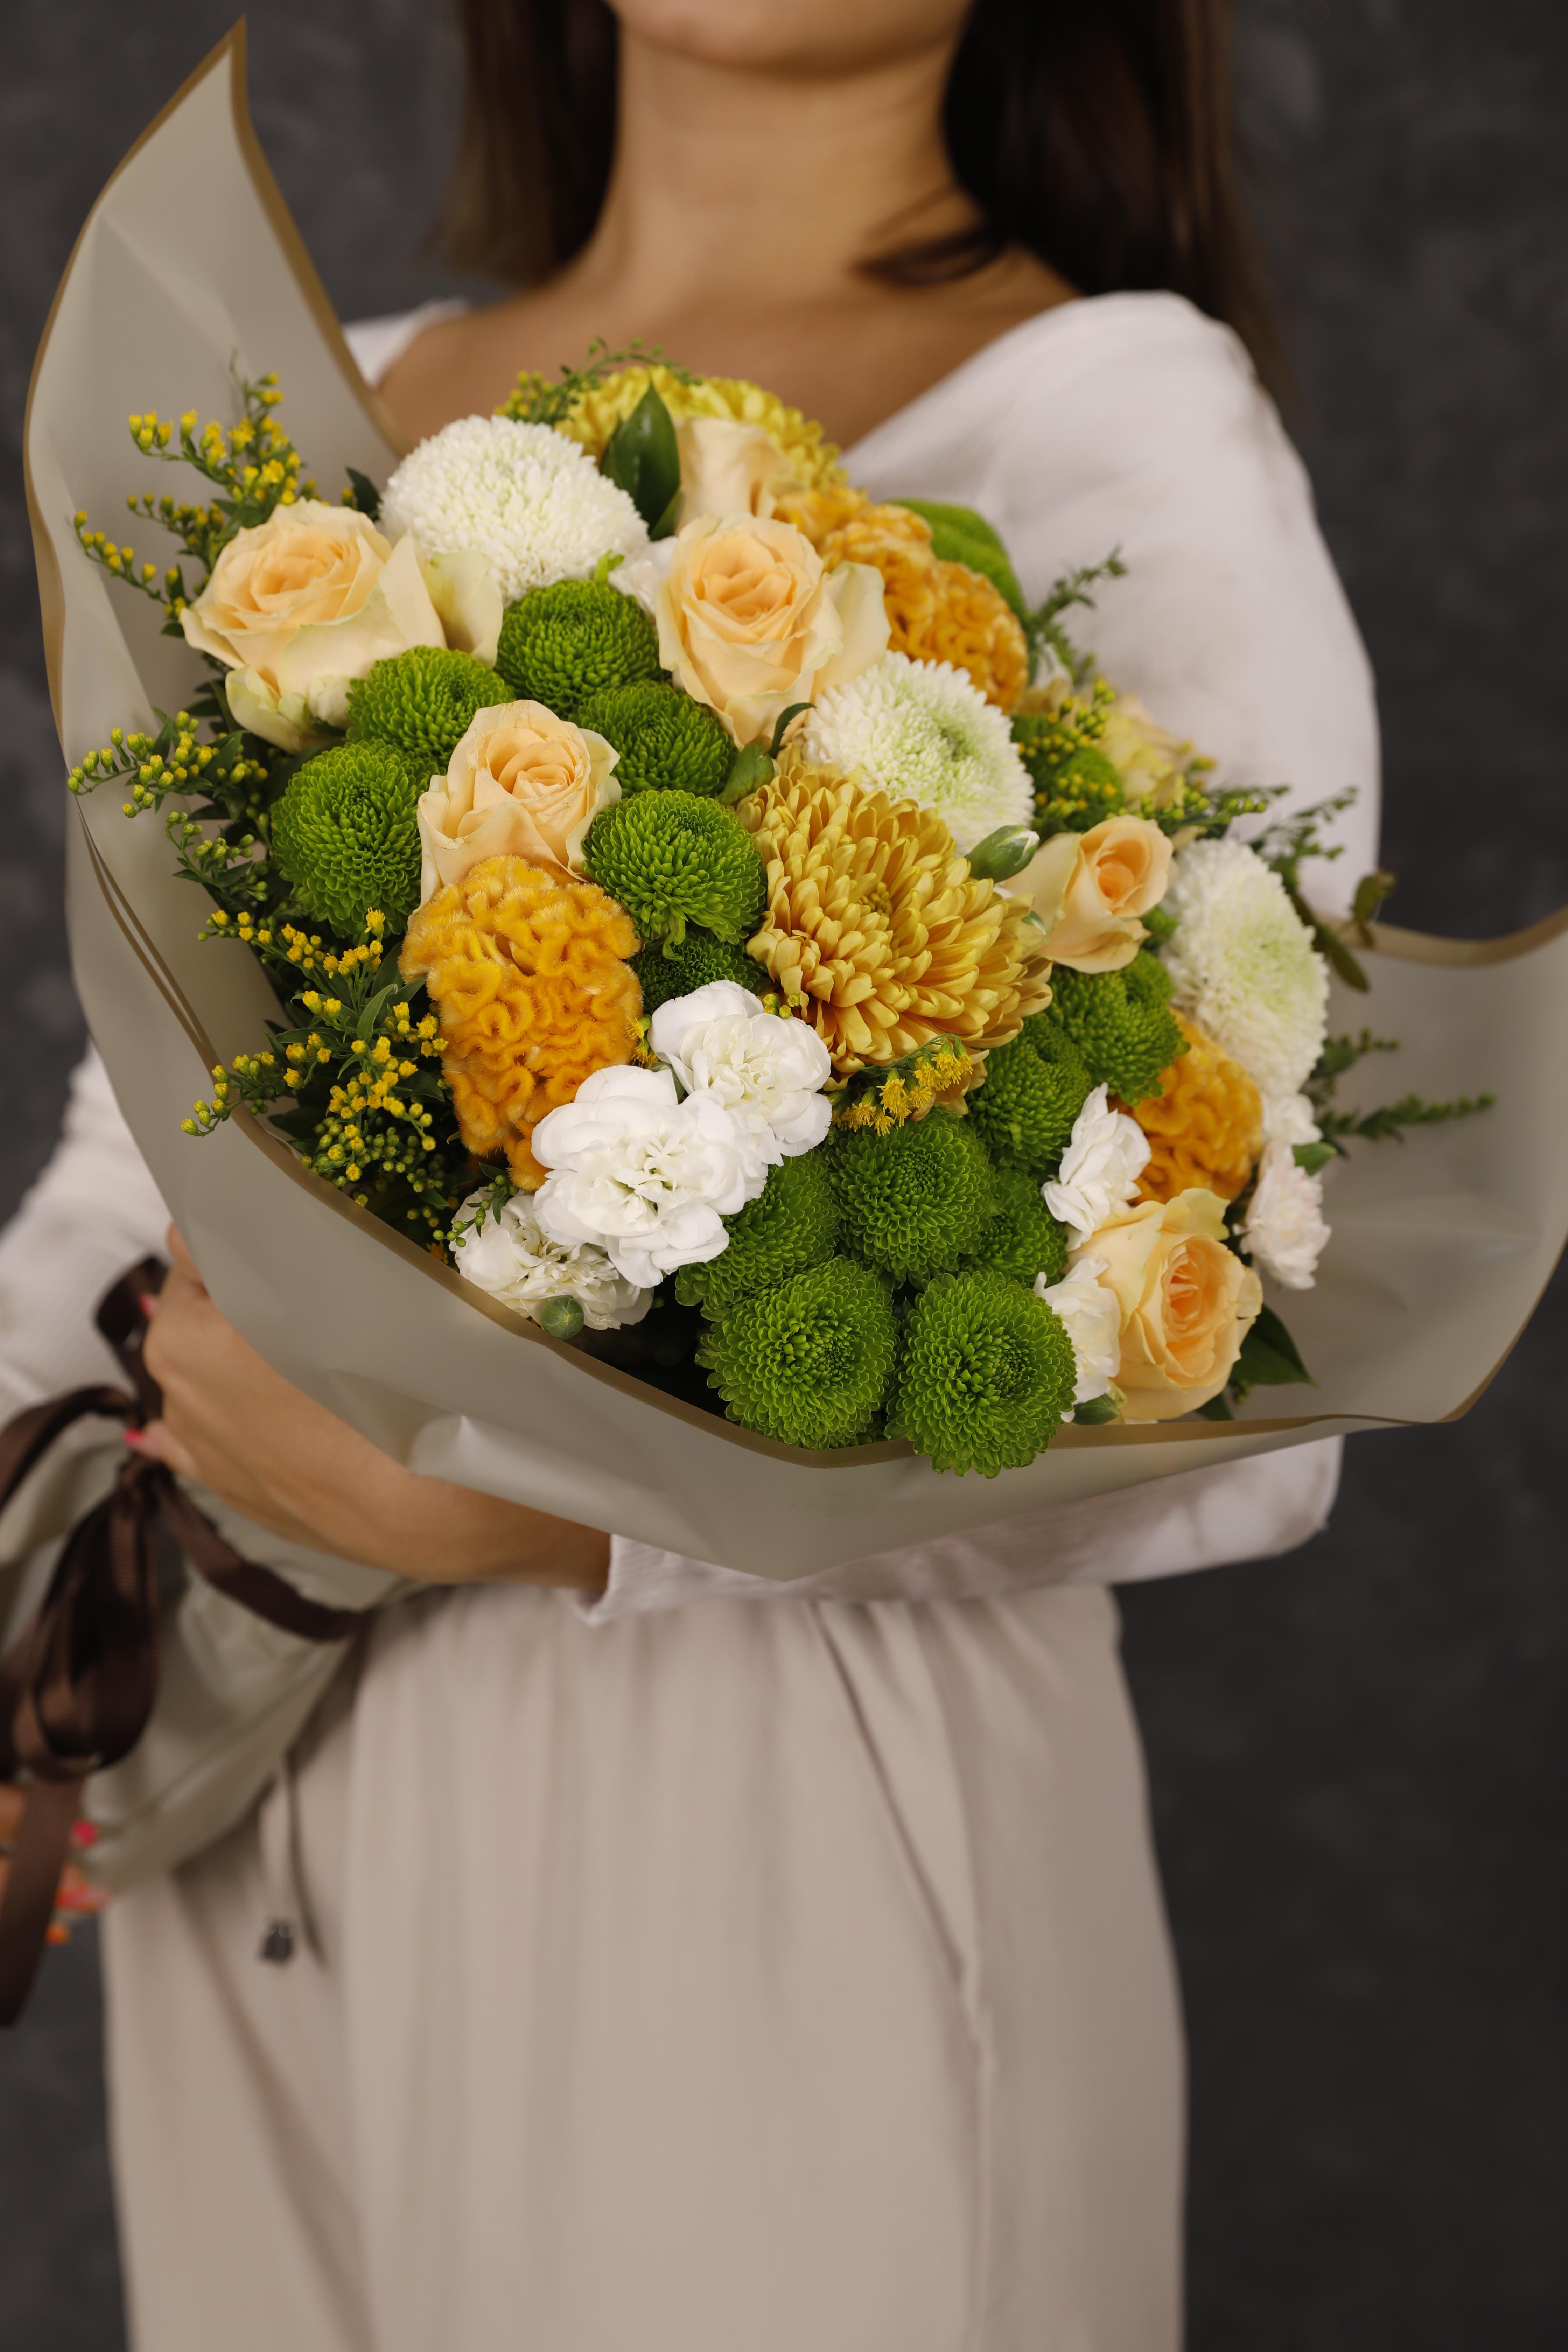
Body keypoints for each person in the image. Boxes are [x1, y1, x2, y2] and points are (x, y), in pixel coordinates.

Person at [0, 1, 1380, 2344]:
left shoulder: (1120, 423)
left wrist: (565, 1521)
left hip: (762, 1803)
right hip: (255, 1801)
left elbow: (1254, 1391)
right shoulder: (355, 405)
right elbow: (125, 1161)